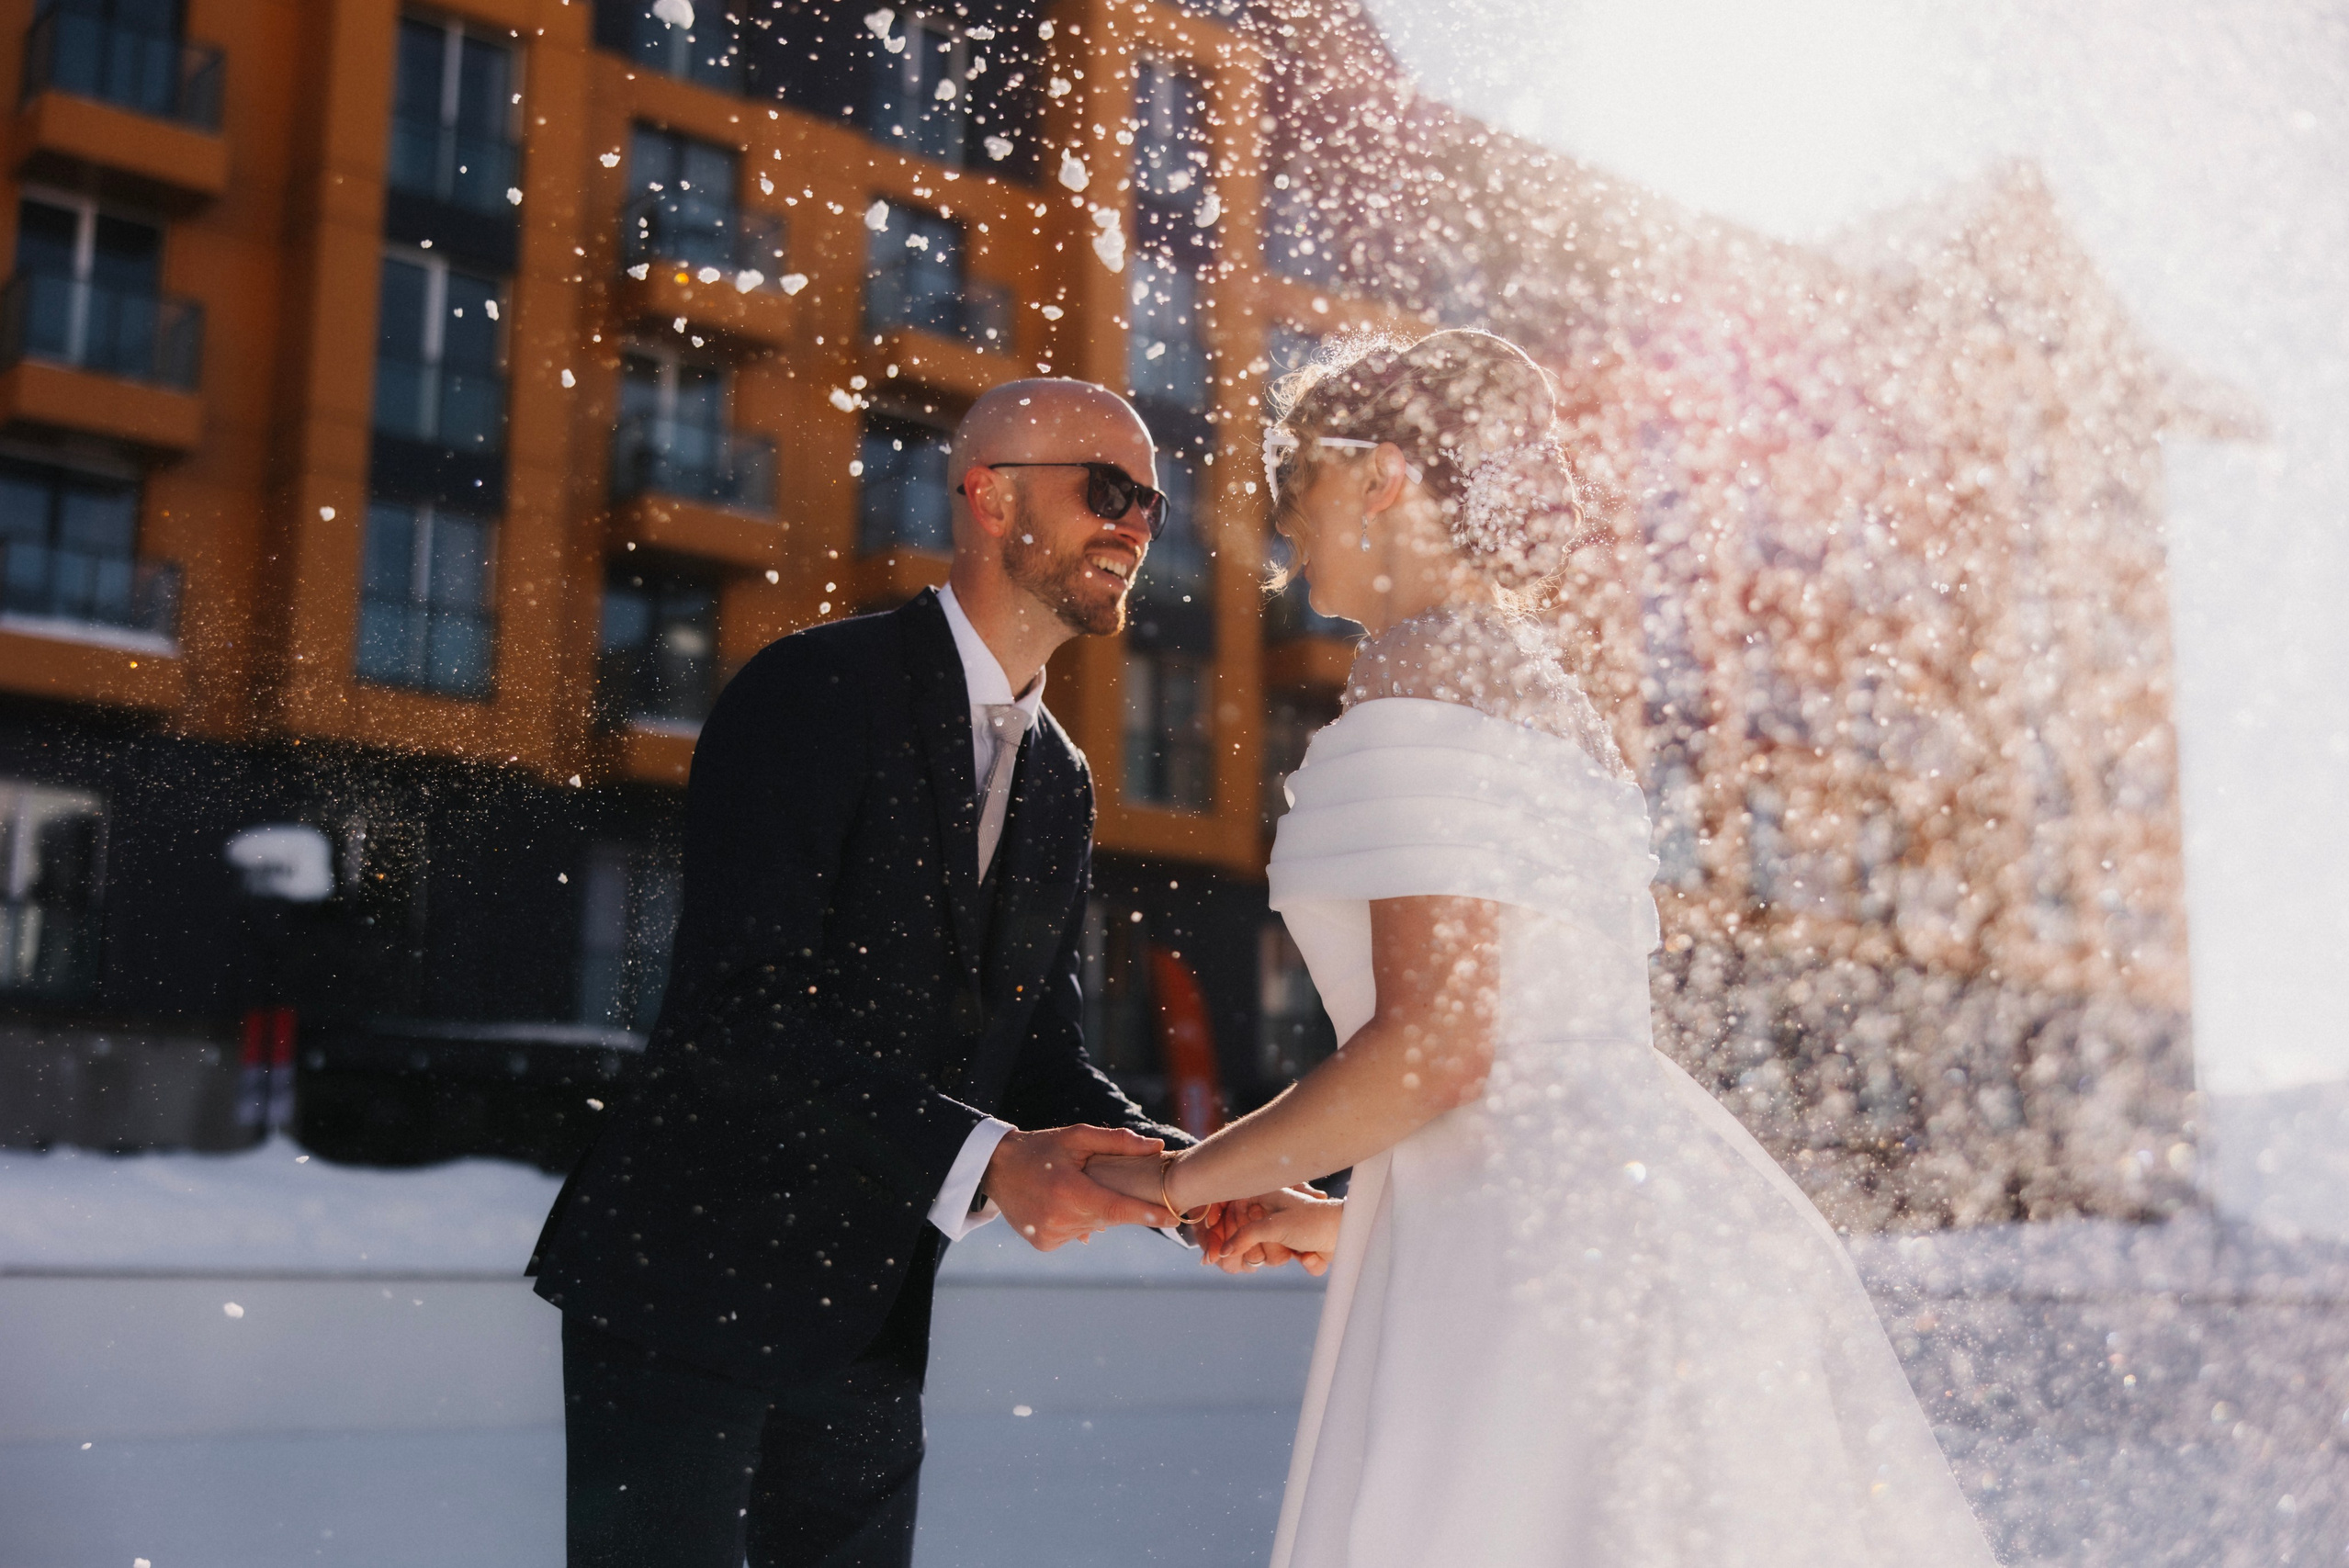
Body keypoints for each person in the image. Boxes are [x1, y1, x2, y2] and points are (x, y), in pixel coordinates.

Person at [1096, 330, 2002, 1568]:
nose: (1284, 536)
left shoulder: (1415, 661)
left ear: (1384, 478)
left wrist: (1175, 1181)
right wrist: (1337, 1222)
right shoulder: (1543, 687)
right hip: (1638, 1219)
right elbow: (1533, 1050)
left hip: (1543, 1270)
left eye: (1296, 492)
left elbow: (1440, 1047)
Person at [530, 378, 1249, 1568]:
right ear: (987, 496)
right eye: (1108, 490)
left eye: (1154, 506)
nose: (1135, 524)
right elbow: (738, 1015)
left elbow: (1036, 1050)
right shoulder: (813, 691)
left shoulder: (1062, 777)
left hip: (865, 1308)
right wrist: (994, 1165)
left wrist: (1190, 1185)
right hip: (684, 1288)